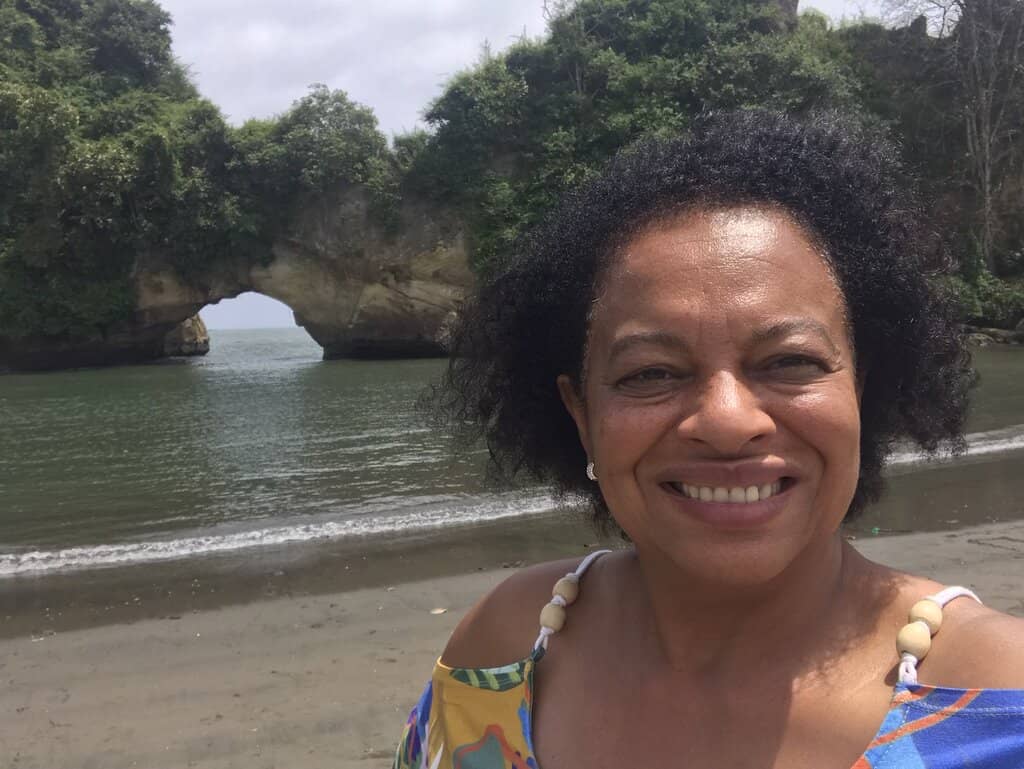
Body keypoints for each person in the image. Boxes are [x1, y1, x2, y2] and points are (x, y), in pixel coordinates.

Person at [392, 111, 1024, 769]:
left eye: (790, 361)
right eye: (652, 373)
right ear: (581, 414)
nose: (727, 420)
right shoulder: (502, 651)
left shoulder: (1002, 708)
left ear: (860, 389)